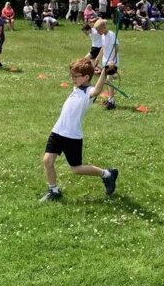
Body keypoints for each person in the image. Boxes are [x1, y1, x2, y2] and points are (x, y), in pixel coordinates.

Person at [40, 57, 118, 202]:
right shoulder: (77, 87)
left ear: (86, 77)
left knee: (76, 168)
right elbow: (85, 66)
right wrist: (95, 67)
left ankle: (107, 174)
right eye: (72, 76)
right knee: (47, 160)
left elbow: (98, 90)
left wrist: (104, 72)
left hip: (72, 136)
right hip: (57, 131)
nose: (73, 79)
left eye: (75, 76)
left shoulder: (89, 92)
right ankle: (54, 190)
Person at [94, 18, 119, 110]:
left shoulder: (111, 35)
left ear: (104, 28)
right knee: (104, 78)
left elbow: (117, 47)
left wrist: (113, 60)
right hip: (105, 61)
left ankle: (111, 102)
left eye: (98, 30)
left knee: (109, 80)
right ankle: (110, 99)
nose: (97, 32)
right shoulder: (103, 36)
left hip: (112, 62)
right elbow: (103, 48)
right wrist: (98, 58)